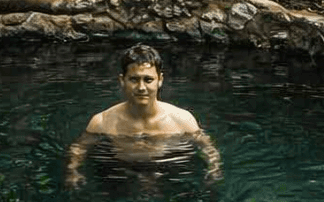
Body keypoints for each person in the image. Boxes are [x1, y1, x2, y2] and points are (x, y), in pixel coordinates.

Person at [66, 44, 221, 186]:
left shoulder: (182, 120)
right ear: (122, 80)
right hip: (118, 174)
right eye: (134, 79)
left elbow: (207, 147)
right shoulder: (102, 122)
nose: (141, 87)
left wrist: (213, 168)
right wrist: (73, 171)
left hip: (169, 172)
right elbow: (79, 148)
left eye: (148, 80)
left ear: (160, 80)